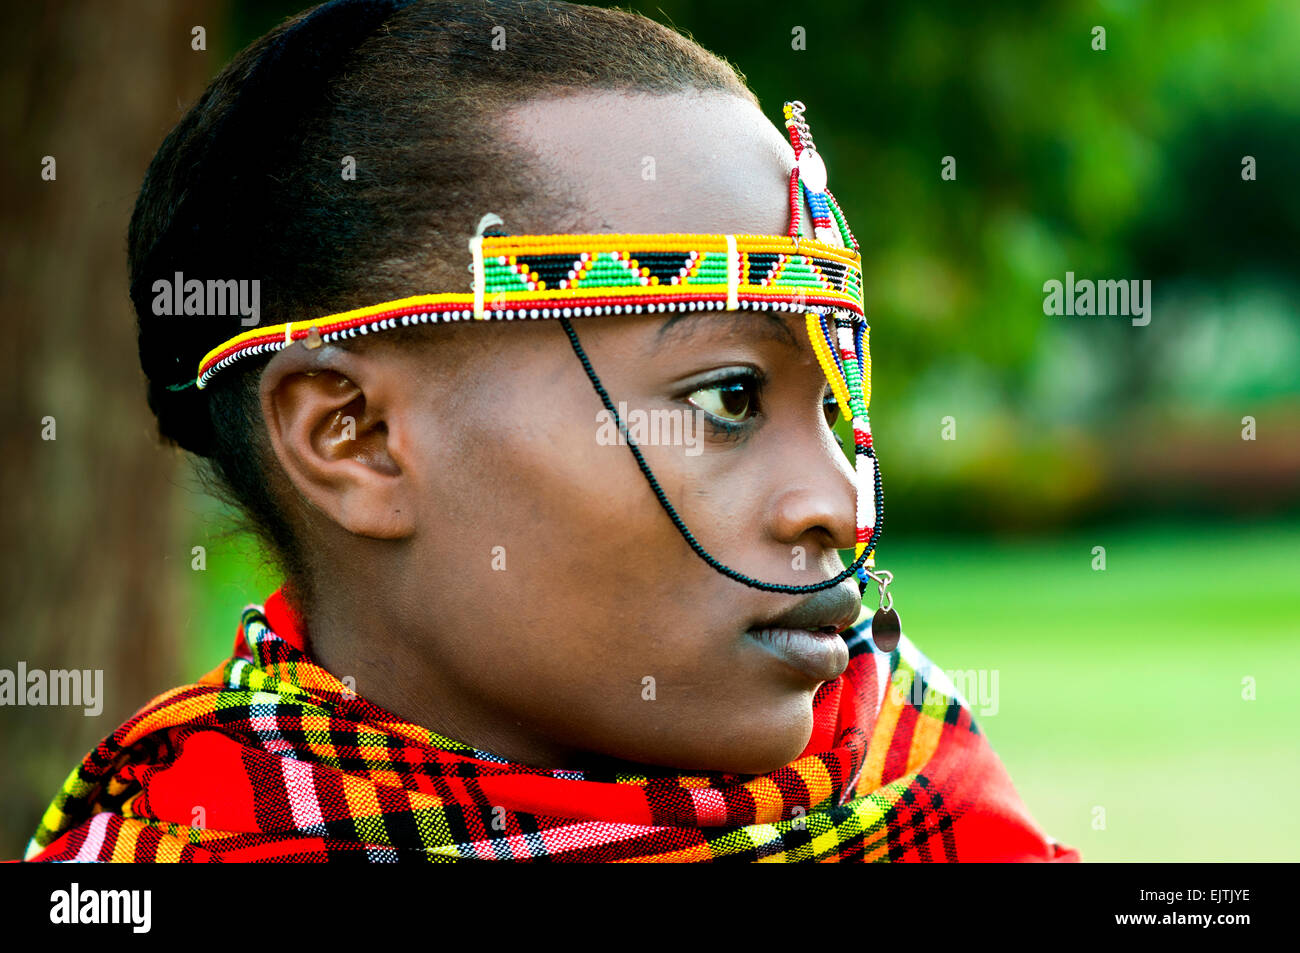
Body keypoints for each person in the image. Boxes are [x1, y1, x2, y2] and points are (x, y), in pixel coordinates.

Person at [23, 0, 1078, 862]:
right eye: (727, 398)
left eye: (834, 407)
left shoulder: (910, 785)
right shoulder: (173, 852)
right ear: (355, 436)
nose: (836, 504)